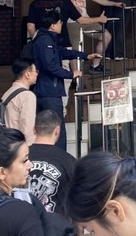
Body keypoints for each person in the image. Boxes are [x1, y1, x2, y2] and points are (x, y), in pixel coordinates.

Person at [32, 11, 102, 150]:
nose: (61, 24)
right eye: (59, 22)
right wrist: (71, 74)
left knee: (50, 128)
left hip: (48, 90)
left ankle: (53, 157)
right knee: (56, 129)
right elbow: (50, 65)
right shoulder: (45, 40)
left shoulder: (47, 39)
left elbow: (63, 52)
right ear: (52, 25)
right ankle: (59, 158)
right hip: (49, 91)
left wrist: (86, 55)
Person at [57, 0, 123, 73]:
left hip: (86, 20)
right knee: (74, 50)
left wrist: (114, 3)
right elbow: (58, 2)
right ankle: (76, 76)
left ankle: (95, 65)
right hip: (71, 22)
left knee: (106, 36)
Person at [29, 109, 77, 218]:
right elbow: (77, 198)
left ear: (34, 130)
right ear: (57, 130)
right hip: (57, 225)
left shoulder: (20, 157)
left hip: (24, 223)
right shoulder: (68, 161)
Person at [1, 57, 38, 146]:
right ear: (27, 74)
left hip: (7, 143)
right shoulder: (27, 96)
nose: (37, 74)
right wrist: (30, 148)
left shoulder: (8, 93)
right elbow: (27, 128)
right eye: (35, 71)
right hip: (18, 146)